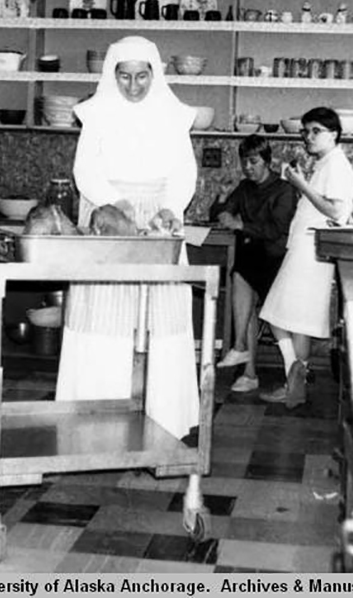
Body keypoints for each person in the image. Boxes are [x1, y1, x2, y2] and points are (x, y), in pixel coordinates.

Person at [55, 35, 199, 440]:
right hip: (109, 222)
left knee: (160, 312)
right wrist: (117, 204)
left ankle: (162, 419)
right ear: (111, 75)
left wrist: (171, 207)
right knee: (104, 311)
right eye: (124, 77)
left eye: (141, 77)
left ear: (155, 74)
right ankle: (95, 424)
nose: (133, 86)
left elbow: (184, 173)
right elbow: (85, 172)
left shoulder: (172, 117)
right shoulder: (97, 116)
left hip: (158, 225)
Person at [259, 106, 353, 409]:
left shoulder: (337, 165)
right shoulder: (326, 163)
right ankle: (295, 380)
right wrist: (304, 183)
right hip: (306, 247)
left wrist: (300, 185)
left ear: (334, 134)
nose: (308, 137)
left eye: (315, 131)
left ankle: (294, 383)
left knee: (286, 317)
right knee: (285, 316)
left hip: (311, 250)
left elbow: (336, 210)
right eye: (305, 131)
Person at [209, 134, 296, 393]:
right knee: (242, 287)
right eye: (244, 162)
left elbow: (277, 229)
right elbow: (215, 215)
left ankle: (243, 353)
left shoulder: (284, 189)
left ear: (266, 161)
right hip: (253, 256)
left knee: (269, 315)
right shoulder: (245, 188)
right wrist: (223, 199)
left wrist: (240, 224)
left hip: (276, 259)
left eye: (253, 161)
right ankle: (247, 369)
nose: (248, 167)